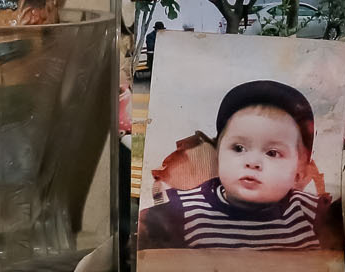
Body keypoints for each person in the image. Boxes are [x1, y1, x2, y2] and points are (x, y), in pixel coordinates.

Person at [139, 80, 333, 250]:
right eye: (238, 148)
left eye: (272, 153)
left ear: (299, 169)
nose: (252, 162)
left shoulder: (310, 212)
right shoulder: (184, 211)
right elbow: (148, 250)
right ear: (218, 155)